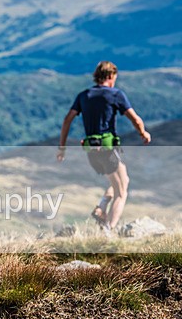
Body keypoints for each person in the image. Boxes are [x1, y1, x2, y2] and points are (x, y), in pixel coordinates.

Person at [57, 61, 151, 232]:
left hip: (91, 151)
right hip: (108, 149)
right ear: (110, 76)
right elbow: (135, 119)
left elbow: (67, 120)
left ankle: (101, 207)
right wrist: (143, 133)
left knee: (122, 181)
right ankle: (108, 230)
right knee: (121, 193)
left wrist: (62, 148)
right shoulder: (115, 95)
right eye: (114, 78)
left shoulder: (83, 96)